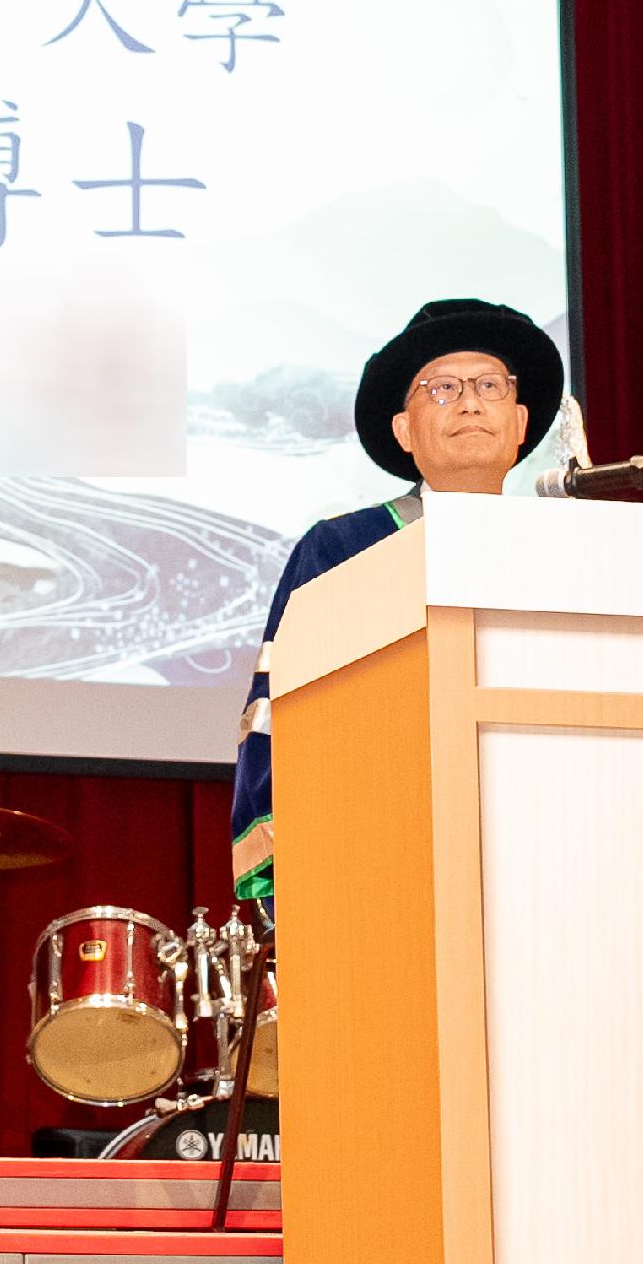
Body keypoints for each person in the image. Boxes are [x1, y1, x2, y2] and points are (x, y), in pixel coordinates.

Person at [227, 297, 562, 897]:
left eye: (490, 385)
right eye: (441, 388)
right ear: (404, 431)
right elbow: (281, 713)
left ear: (519, 423)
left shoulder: (574, 549)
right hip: (384, 849)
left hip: (549, 839)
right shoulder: (344, 547)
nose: (469, 401)